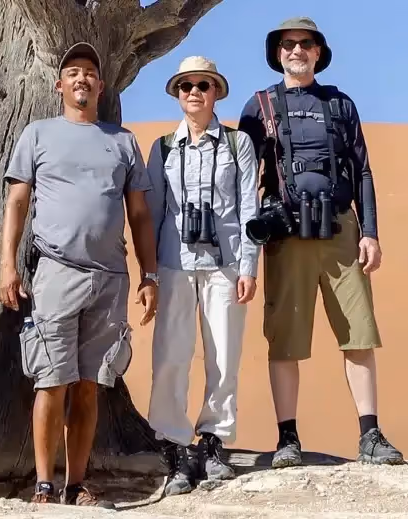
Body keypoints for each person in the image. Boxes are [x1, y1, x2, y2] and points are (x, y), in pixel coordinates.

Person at [234, 17, 406, 467]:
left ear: (317, 52)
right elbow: (243, 179)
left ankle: (371, 435)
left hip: (339, 231)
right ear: (277, 54)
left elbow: (363, 169)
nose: (296, 51)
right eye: (288, 44)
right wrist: (248, 247)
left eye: (304, 44)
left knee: (358, 333)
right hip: (286, 235)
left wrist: (370, 232)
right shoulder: (259, 108)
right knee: (285, 338)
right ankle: (287, 439)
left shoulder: (340, 104)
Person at [0, 41, 159, 507]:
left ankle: (77, 482)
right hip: (55, 272)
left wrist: (150, 275)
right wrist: (8, 264)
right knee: (51, 380)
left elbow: (141, 215)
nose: (82, 79)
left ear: (101, 86)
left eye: (90, 72)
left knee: (91, 384)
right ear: (60, 84)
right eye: (73, 73)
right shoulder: (38, 134)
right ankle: (44, 483)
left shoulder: (123, 140)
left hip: (109, 277)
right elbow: (17, 202)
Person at [141, 56, 260, 495]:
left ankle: (212, 443)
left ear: (216, 93)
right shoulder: (163, 148)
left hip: (226, 264)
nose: (194, 92)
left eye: (203, 85)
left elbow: (249, 208)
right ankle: (173, 447)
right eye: (186, 85)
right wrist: (148, 273)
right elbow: (152, 214)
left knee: (224, 355)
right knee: (171, 355)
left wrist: (249, 265)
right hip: (174, 264)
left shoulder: (237, 144)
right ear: (177, 94)